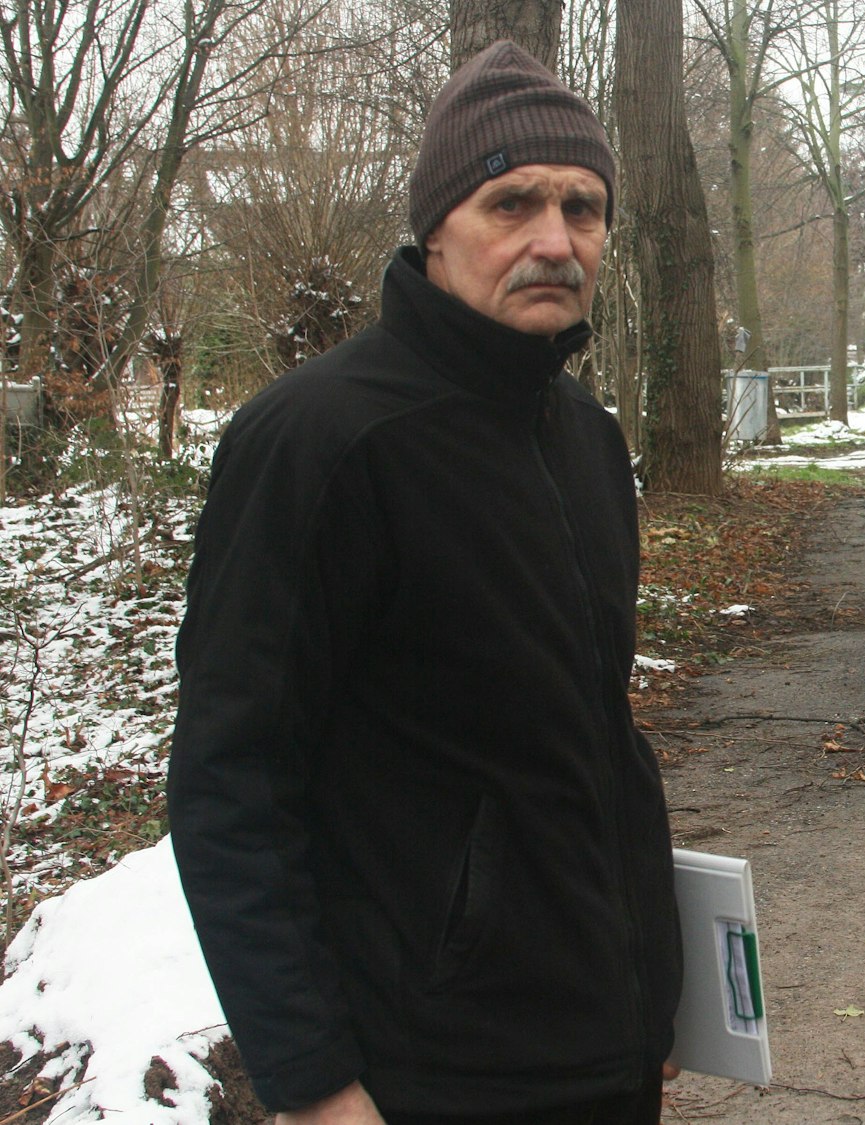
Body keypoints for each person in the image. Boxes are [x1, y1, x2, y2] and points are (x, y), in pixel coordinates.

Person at [168, 41, 681, 1124]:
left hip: (599, 1053)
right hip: (426, 1075)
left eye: (582, 208)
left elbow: (590, 742)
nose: (555, 240)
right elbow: (233, 786)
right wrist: (312, 1084)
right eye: (513, 204)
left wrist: (652, 990)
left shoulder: (586, 439)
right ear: (435, 228)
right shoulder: (319, 441)